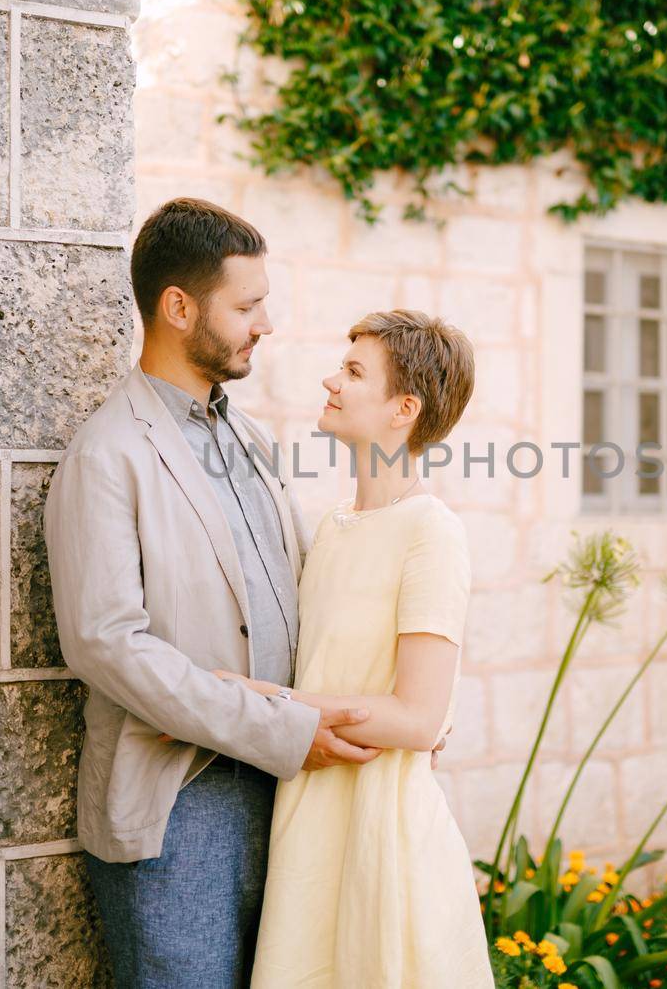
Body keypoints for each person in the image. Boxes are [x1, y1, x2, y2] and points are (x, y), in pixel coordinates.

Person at [45, 198, 412, 988]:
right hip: (182, 806)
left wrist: (397, 704)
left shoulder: (249, 439)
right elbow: (106, 642)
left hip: (284, 793)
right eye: (247, 305)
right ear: (178, 308)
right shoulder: (107, 452)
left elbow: (309, 588)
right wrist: (279, 729)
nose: (266, 323)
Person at [227, 309, 497, 988]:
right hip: (312, 818)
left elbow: (418, 718)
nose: (331, 379)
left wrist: (265, 701)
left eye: (353, 371)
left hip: (383, 831)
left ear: (404, 408)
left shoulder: (431, 530)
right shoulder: (332, 527)